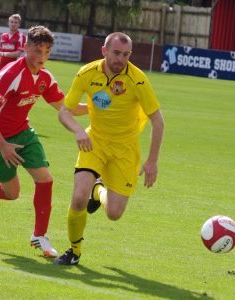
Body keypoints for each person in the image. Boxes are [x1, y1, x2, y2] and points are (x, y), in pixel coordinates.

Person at [0, 25, 87, 258]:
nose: (42, 57)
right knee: (12, 193)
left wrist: (97, 107)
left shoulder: (45, 77)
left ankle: (39, 236)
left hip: (22, 132)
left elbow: (65, 108)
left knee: (45, 179)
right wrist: (2, 145)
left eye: (47, 52)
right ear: (25, 47)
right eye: (37, 50)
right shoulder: (10, 74)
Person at [54, 32, 164, 265]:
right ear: (104, 51)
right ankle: (74, 251)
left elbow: (158, 120)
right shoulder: (86, 73)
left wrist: (152, 161)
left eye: (126, 55)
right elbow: (65, 111)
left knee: (114, 213)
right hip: (95, 142)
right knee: (78, 197)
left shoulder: (138, 79)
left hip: (125, 149)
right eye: (116, 53)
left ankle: (99, 191)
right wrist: (79, 131)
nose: (120, 59)